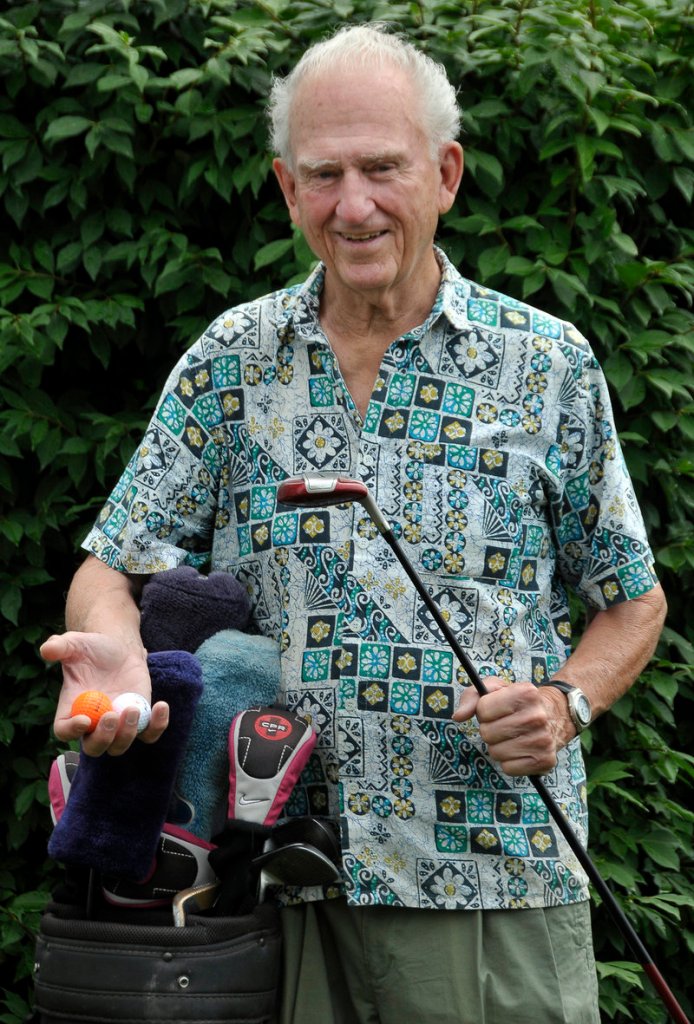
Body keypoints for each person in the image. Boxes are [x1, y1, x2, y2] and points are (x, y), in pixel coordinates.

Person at [41, 22, 667, 1024]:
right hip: (262, 891)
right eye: (323, 175)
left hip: (488, 877)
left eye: (382, 167)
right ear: (287, 189)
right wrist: (116, 651)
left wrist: (564, 703)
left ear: (446, 172)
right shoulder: (229, 360)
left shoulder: (546, 364)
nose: (354, 204)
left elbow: (631, 601)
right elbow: (111, 566)